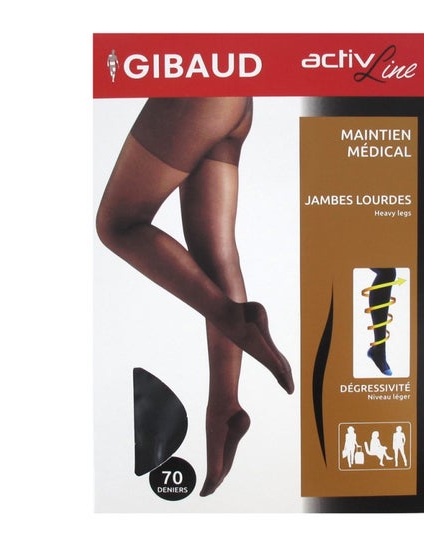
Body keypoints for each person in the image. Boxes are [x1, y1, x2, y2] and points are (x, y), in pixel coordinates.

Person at [96, 97, 294, 497]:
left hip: (197, 90)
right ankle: (225, 406)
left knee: (118, 225)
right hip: (231, 98)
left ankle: (236, 318)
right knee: (214, 255)